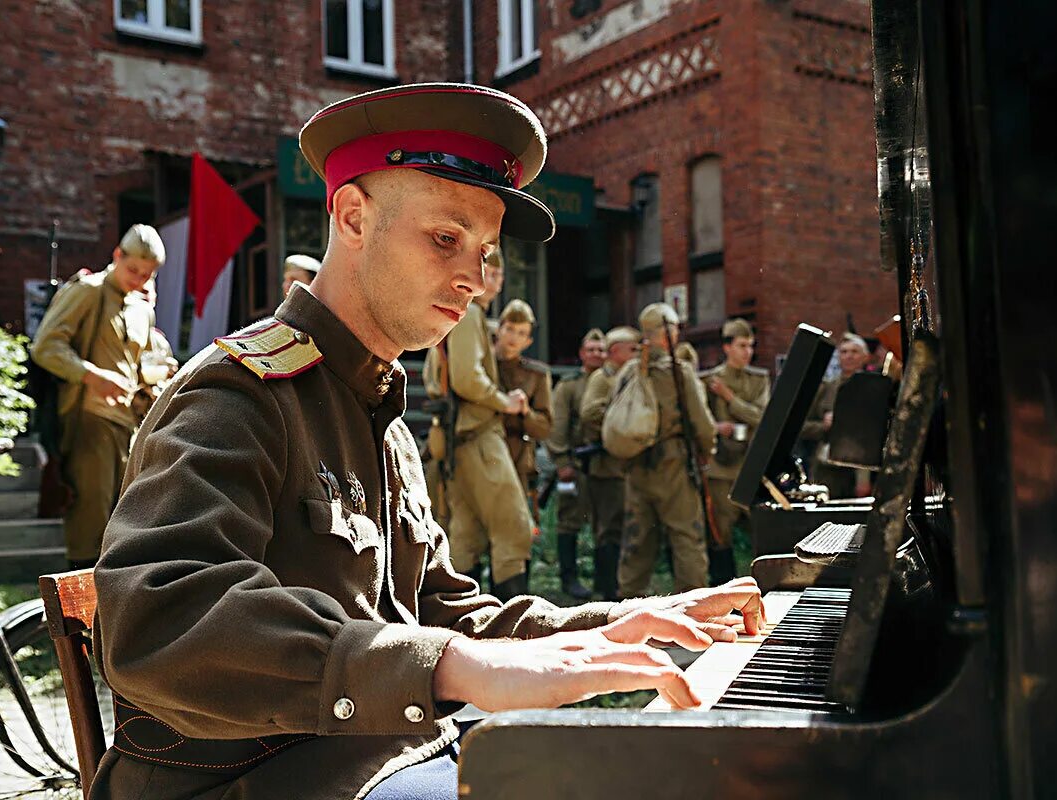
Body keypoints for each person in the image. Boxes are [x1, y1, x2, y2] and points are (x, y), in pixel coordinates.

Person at [90, 83, 764, 800]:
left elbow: (437, 615)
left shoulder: (375, 407)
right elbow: (159, 612)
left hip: (380, 761)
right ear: (352, 216)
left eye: (485, 251)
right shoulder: (240, 392)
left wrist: (616, 623)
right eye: (447, 238)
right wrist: (446, 665)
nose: (475, 280)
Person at [30, 223, 164, 567]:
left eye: (146, 274)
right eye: (132, 269)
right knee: (90, 528)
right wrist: (90, 375)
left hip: (130, 427)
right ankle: (81, 616)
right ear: (117, 256)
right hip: (88, 422)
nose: (138, 279)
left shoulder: (141, 309)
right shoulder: (87, 291)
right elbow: (45, 346)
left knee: (126, 526)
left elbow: (147, 363)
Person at [442, 249, 537, 599]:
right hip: (479, 435)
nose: (495, 282)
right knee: (514, 529)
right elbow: (467, 378)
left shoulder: (468, 315)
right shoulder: (468, 316)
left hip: (461, 437)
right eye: (490, 273)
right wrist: (504, 401)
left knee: (466, 534)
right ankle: (515, 625)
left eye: (499, 275)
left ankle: (457, 620)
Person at [613, 303, 717, 598]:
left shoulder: (629, 371)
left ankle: (627, 605)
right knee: (687, 537)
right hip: (674, 466)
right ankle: (695, 605)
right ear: (667, 332)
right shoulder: (679, 372)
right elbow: (703, 424)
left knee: (637, 541)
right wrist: (707, 451)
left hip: (637, 465)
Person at [700, 318, 770, 584]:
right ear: (727, 347)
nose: (747, 352)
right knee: (721, 534)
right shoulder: (708, 381)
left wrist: (730, 398)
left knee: (761, 531)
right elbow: (701, 420)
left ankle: (764, 586)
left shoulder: (758, 379)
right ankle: (723, 591)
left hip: (752, 467)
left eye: (750, 346)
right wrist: (717, 427)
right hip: (722, 467)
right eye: (741, 346)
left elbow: (762, 417)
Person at [578, 325, 641, 600]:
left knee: (624, 527)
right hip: (606, 467)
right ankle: (607, 591)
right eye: (632, 349)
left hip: (624, 465)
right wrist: (620, 421)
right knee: (609, 529)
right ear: (615, 351)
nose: (637, 354)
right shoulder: (602, 379)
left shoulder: (628, 376)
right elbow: (590, 412)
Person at [546, 327, 606, 599]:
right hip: (575, 463)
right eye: (591, 349)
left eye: (601, 350)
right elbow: (557, 425)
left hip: (606, 465)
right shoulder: (569, 386)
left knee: (604, 523)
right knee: (569, 521)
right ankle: (569, 579)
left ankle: (603, 580)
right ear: (582, 354)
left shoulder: (612, 381)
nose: (596, 354)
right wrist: (561, 462)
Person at [800, 332, 872, 498]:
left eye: (854, 352)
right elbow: (802, 426)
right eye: (844, 352)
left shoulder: (873, 387)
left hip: (861, 467)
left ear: (865, 356)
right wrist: (823, 426)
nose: (848, 356)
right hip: (827, 467)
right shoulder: (826, 388)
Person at [494, 298, 553, 497]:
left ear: (528, 341)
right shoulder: (482, 366)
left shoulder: (537, 374)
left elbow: (544, 428)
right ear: (498, 330)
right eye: (509, 329)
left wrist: (526, 411)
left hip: (517, 456)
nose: (514, 337)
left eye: (521, 333)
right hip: (483, 450)